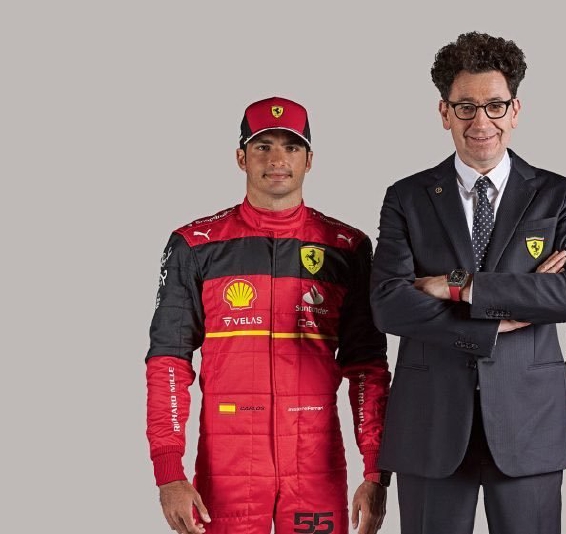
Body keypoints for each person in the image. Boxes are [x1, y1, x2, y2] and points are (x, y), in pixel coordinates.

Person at [369, 32, 566, 534]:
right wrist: (494, 323)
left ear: (515, 110)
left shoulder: (557, 195)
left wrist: (459, 285)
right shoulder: (407, 197)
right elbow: (389, 304)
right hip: (430, 421)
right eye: (465, 107)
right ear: (444, 112)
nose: (481, 122)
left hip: (529, 421)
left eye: (495, 106)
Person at [145, 96, 391, 534]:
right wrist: (169, 472)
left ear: (309, 160)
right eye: (263, 146)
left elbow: (367, 369)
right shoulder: (196, 244)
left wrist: (375, 471)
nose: (277, 159)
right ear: (241, 157)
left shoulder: (346, 248)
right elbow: (168, 362)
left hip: (316, 469)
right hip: (227, 472)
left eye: (291, 147)